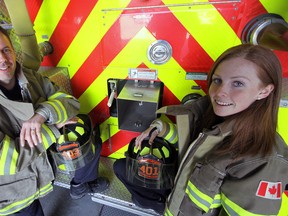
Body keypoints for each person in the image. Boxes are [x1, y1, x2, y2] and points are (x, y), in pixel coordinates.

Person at [114, 44, 288, 215]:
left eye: (238, 83)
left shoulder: (261, 160)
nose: (220, 92)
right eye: (217, 80)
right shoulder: (215, 115)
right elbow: (196, 145)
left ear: (264, 91)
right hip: (177, 198)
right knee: (122, 167)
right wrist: (162, 129)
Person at [0, 25, 108, 215]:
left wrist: (43, 114)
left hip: (39, 168)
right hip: (13, 195)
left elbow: (69, 101)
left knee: (87, 134)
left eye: (5, 50)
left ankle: (80, 184)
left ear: (14, 51)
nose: (3, 59)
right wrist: (54, 128)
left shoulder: (30, 78)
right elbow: (8, 161)